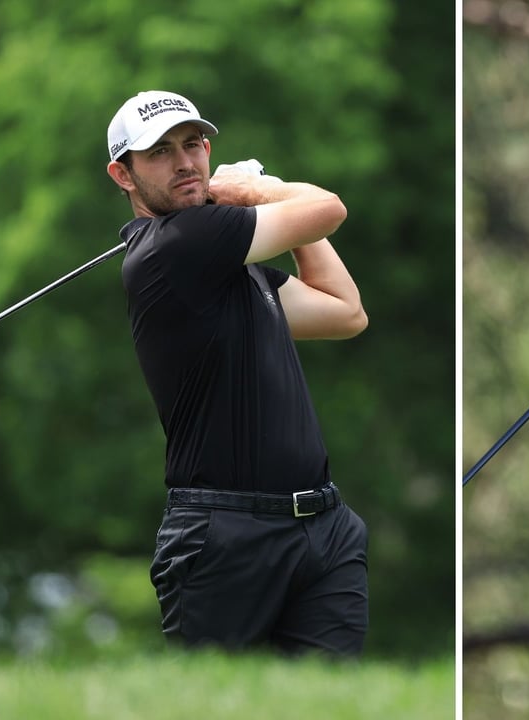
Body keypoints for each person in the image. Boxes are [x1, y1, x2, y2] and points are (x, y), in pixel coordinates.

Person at [103, 90, 370, 655]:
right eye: (160, 152)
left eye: (193, 144)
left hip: (324, 528)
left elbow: (345, 311)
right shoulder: (175, 246)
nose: (185, 162)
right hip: (224, 534)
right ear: (123, 175)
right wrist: (257, 190)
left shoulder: (233, 269)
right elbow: (329, 208)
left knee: (331, 698)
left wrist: (270, 206)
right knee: (219, 699)